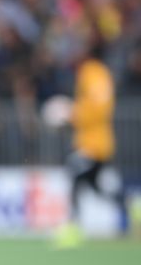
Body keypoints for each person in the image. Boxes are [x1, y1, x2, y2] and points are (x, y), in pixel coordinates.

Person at [53, 42, 131, 248]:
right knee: (93, 185)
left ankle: (73, 227)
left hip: (92, 144)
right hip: (95, 141)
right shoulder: (96, 72)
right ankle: (132, 207)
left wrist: (71, 114)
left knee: (75, 178)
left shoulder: (92, 72)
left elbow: (98, 108)